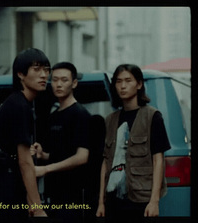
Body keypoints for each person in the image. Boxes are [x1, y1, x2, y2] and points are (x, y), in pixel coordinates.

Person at [96, 64, 170, 223]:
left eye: (128, 80)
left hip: (140, 199)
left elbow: (158, 160)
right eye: (118, 81)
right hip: (113, 200)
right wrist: (101, 202)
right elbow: (105, 162)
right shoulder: (110, 120)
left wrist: (154, 201)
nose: (122, 86)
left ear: (139, 84)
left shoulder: (152, 116)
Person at [0, 48, 50, 222]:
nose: (43, 75)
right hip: (8, 191)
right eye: (36, 70)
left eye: (46, 70)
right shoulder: (18, 106)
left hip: (8, 186)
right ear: (21, 74)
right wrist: (38, 208)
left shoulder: (19, 102)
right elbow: (24, 162)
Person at [31, 62, 91, 223]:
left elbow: (82, 157)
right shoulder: (54, 116)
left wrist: (45, 169)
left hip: (73, 193)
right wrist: (42, 155)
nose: (58, 84)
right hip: (53, 192)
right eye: (55, 79)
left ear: (74, 83)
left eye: (64, 80)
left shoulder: (81, 114)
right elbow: (59, 154)